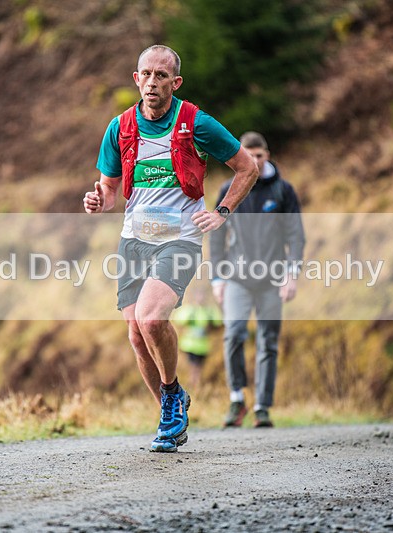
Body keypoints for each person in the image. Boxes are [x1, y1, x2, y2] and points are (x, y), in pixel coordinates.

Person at [83, 45, 258, 452]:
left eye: (161, 75)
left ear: (175, 82)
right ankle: (171, 410)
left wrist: (222, 211)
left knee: (151, 319)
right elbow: (109, 191)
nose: (152, 82)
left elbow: (247, 167)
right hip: (134, 240)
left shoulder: (196, 122)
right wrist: (97, 201)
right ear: (136, 79)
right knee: (135, 334)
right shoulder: (120, 127)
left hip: (180, 238)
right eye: (146, 74)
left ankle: (172, 397)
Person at [209, 131, 305, 428]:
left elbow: (295, 235)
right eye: (248, 155)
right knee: (234, 333)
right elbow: (217, 234)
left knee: (268, 341)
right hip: (237, 278)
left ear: (267, 155)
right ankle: (237, 398)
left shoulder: (282, 191)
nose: (254, 160)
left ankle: (262, 406)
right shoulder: (229, 189)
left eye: (259, 155)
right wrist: (217, 277)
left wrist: (291, 274)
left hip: (272, 279)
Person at [172, 284, 222, 388]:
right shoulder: (190, 310)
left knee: (199, 365)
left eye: (203, 295)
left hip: (203, 346)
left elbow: (219, 324)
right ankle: (194, 382)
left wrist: (210, 327)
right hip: (189, 345)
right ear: (195, 296)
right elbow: (179, 322)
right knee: (194, 365)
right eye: (199, 295)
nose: (201, 298)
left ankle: (195, 383)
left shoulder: (210, 311)